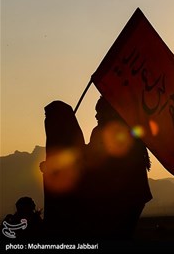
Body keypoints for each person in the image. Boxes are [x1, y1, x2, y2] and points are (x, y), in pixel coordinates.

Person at [82, 96, 152, 240]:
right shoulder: (127, 130)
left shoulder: (111, 132)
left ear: (111, 112)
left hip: (124, 196)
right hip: (130, 196)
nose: (96, 115)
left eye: (100, 111)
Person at [40, 100, 86, 238]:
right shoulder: (60, 136)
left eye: (49, 116)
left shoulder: (71, 140)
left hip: (68, 200)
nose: (47, 121)